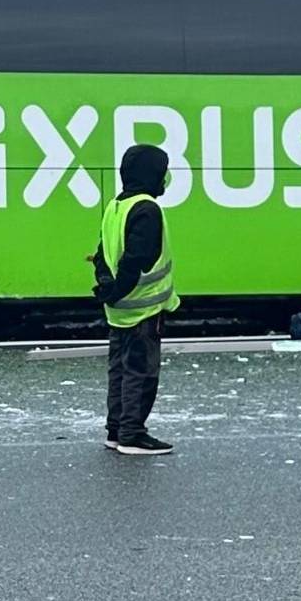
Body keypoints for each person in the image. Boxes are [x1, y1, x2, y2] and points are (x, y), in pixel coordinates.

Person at [93, 144, 180, 457]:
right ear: (152, 174)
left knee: (119, 371)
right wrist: (119, 289)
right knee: (141, 373)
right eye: (163, 171)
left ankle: (116, 431)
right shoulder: (147, 209)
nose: (166, 177)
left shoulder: (115, 206)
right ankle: (132, 434)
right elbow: (137, 259)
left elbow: (101, 255)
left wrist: (108, 290)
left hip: (118, 310)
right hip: (144, 307)